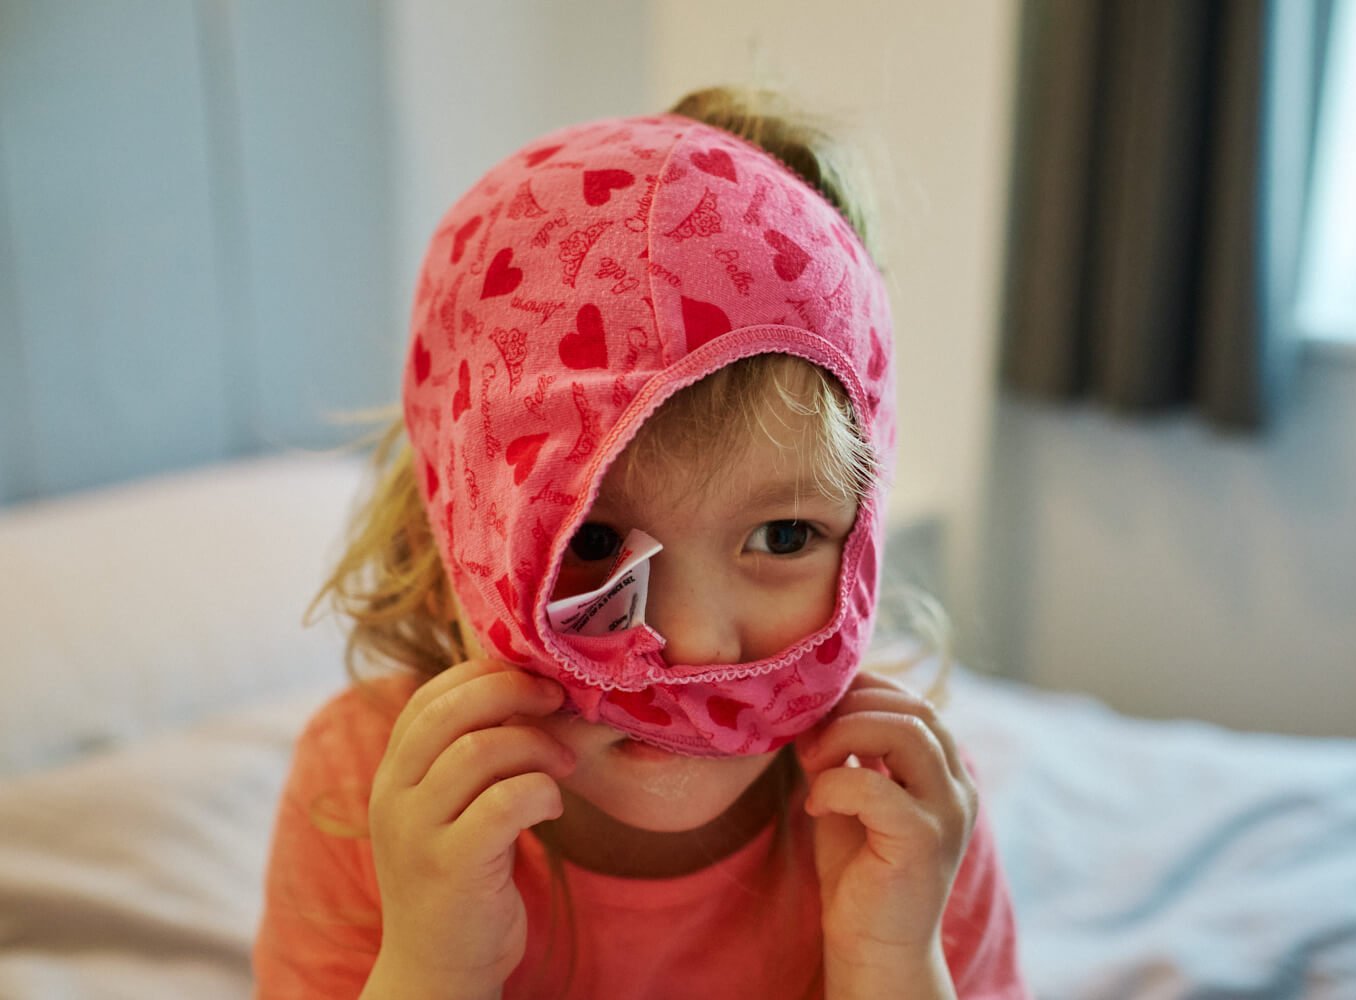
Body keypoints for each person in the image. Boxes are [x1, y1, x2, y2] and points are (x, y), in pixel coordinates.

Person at [254, 85, 1028, 999]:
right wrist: (431, 965)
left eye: (784, 536)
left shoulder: (906, 821)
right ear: (453, 537)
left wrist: (892, 964)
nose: (697, 646)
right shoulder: (370, 792)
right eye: (590, 539)